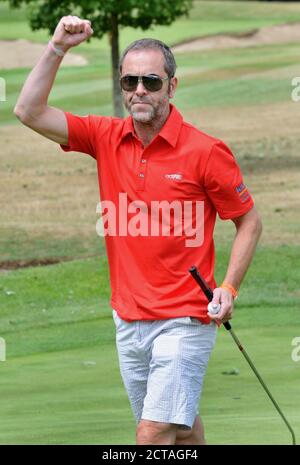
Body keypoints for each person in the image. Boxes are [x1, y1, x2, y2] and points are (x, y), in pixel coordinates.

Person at [14, 16, 262, 445]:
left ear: (172, 86)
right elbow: (28, 111)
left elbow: (249, 222)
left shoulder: (205, 152)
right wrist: (57, 48)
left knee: (151, 436)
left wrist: (230, 287)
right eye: (130, 82)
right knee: (181, 433)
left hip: (186, 317)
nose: (139, 91)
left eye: (151, 80)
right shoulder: (105, 136)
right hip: (128, 319)